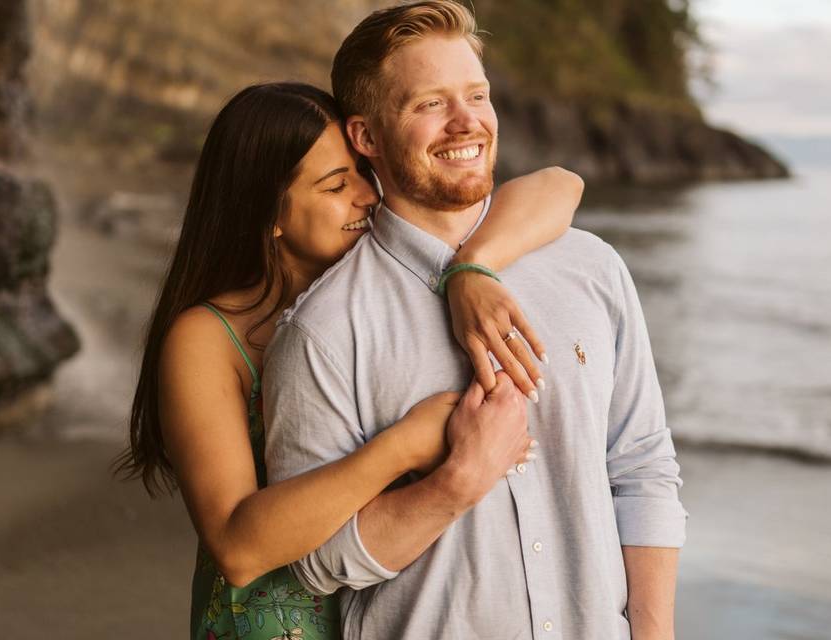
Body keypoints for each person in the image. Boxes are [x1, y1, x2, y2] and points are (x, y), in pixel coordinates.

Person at [263, 2, 688, 640]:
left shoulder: (591, 268)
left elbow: (641, 467)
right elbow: (316, 562)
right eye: (429, 104)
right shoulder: (324, 329)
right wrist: (454, 485)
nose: (467, 122)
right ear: (366, 137)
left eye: (477, 95)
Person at [115, 80, 584, 640]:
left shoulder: (365, 289)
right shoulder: (207, 337)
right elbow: (238, 548)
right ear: (269, 216)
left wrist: (472, 266)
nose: (366, 196)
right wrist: (405, 445)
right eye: (336, 185)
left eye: (363, 172)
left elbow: (562, 184)